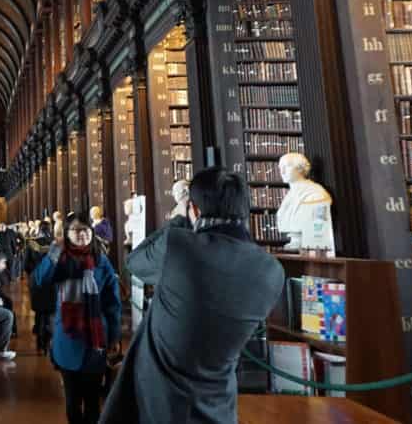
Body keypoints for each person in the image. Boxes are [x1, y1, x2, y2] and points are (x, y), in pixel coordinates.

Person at [101, 167, 286, 423]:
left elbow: (135, 262)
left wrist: (178, 221)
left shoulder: (179, 247)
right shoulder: (272, 271)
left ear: (194, 210)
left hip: (160, 402)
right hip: (217, 404)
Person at [35, 213, 122, 424]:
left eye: (86, 229)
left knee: (93, 400)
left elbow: (112, 303)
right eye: (76, 230)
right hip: (68, 336)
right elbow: (40, 278)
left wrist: (115, 336)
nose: (82, 234)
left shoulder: (101, 262)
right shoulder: (60, 260)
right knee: (73, 401)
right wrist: (55, 250)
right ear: (67, 234)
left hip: (95, 338)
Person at [24, 219, 56, 353]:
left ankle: (39, 339)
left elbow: (26, 264)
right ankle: (48, 340)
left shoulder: (32, 243)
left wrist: (33, 274)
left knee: (39, 310)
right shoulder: (55, 244)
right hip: (52, 279)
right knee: (50, 310)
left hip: (36, 279)